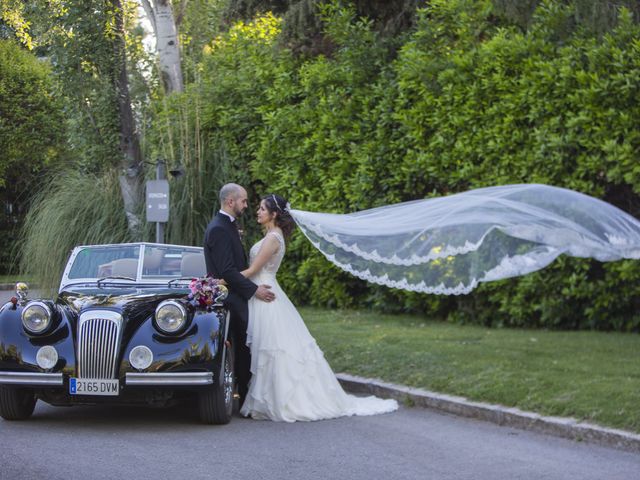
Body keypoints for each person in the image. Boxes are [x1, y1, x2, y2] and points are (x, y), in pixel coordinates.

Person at [238, 193, 398, 422]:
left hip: (265, 292)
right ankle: (266, 400)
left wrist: (224, 280)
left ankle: (282, 400)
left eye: (262, 209)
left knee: (273, 349)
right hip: (262, 291)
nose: (258, 212)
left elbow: (254, 270)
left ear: (274, 214)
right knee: (271, 349)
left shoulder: (273, 237)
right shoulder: (272, 235)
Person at [203, 183, 275, 405]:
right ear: (230, 201)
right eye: (243, 201)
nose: (247, 205)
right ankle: (244, 396)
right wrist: (254, 290)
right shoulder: (219, 228)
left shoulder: (227, 225)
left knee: (247, 346)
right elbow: (227, 271)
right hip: (232, 299)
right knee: (243, 347)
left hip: (237, 294)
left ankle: (245, 394)